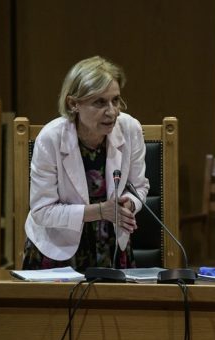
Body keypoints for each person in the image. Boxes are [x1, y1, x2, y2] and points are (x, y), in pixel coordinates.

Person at [22, 56, 150, 271]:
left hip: (111, 245)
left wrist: (127, 205)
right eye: (100, 102)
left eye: (116, 100)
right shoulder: (50, 138)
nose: (112, 111)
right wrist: (101, 211)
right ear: (73, 104)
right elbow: (42, 211)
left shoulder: (130, 129)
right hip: (57, 249)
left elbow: (139, 187)